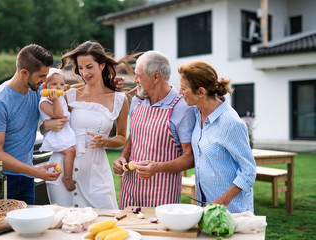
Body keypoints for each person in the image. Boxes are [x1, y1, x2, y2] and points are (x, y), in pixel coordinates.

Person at [41, 41, 135, 209]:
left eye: (89, 67)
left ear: (102, 65)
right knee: (64, 228)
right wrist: (49, 125)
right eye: (81, 68)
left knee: (105, 221)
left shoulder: (120, 99)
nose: (84, 73)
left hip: (96, 173)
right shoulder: (70, 94)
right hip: (62, 170)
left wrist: (105, 142)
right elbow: (43, 128)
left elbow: (121, 138)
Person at [0, 44, 61, 205]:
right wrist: (35, 171)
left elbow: (68, 90)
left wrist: (109, 85)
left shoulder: (36, 91)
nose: (46, 81)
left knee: (25, 229)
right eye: (42, 76)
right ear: (24, 72)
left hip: (25, 177)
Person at [112, 51, 196, 209]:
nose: (135, 81)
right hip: (130, 192)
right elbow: (134, 137)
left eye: (139, 76)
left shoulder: (182, 108)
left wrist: (157, 167)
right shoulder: (138, 100)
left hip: (162, 196)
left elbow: (190, 157)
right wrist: (123, 157)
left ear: (156, 77)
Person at [178, 60, 256, 213]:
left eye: (183, 88)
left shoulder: (231, 124)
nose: (180, 93)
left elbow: (249, 171)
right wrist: (143, 90)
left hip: (233, 211)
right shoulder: (196, 111)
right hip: (207, 208)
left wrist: (223, 200)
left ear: (201, 91)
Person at [39, 68, 77, 191]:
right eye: (54, 84)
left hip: (63, 131)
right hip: (56, 134)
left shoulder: (60, 96)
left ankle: (68, 175)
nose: (58, 87)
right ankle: (67, 177)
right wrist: (55, 100)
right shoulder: (44, 101)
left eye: (61, 84)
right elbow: (59, 114)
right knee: (70, 151)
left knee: (72, 151)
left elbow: (79, 87)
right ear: (45, 86)